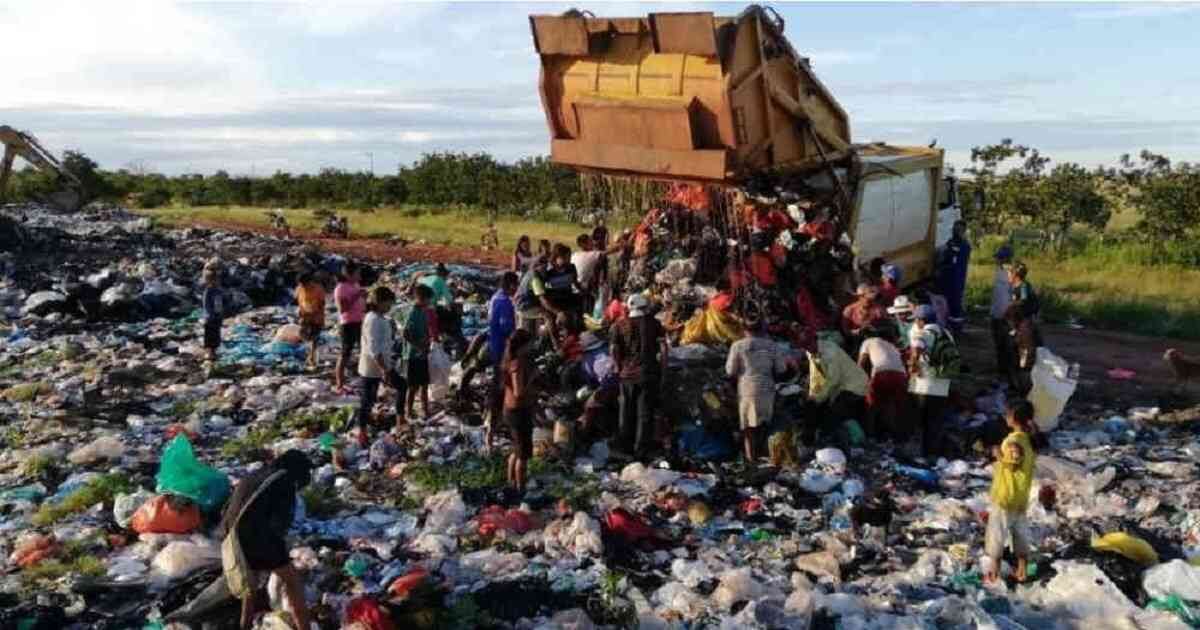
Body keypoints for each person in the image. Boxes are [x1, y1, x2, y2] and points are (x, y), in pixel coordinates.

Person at [220, 450, 314, 630]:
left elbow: (227, 508)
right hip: (255, 535)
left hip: (232, 535)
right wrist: (281, 552)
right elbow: (280, 524)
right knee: (292, 581)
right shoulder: (282, 481)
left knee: (251, 583)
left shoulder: (257, 475)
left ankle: (245, 625)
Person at [609, 293, 669, 459]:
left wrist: (618, 367)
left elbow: (613, 350)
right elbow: (663, 351)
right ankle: (641, 450)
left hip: (626, 375)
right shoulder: (655, 325)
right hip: (648, 374)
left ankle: (624, 448)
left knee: (625, 411)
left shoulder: (619, 325)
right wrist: (664, 373)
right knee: (644, 413)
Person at [984, 399, 1037, 584]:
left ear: (1013, 417)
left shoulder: (1013, 440)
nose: (1005, 417)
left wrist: (998, 455)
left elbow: (1014, 461)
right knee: (1020, 534)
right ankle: (1022, 571)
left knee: (997, 534)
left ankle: (993, 574)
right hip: (1021, 498)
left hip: (1006, 496)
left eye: (1007, 414)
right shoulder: (1028, 440)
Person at [725, 312, 791, 461]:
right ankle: (769, 456)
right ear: (762, 329)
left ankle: (751, 459)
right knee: (765, 423)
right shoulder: (772, 346)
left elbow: (730, 371)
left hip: (747, 389)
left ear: (744, 329)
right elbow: (782, 369)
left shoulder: (737, 346)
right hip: (767, 388)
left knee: (748, 427)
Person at [909, 304, 960, 457]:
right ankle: (934, 453)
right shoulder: (945, 332)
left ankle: (923, 454)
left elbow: (917, 348)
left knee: (922, 420)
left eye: (917, 320)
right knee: (936, 419)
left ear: (920, 320)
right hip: (943, 381)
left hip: (925, 383)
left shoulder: (923, 333)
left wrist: (913, 366)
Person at [358, 287, 404, 442]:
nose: (390, 307)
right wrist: (384, 369)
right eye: (388, 304)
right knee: (367, 400)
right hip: (373, 367)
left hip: (382, 364)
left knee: (401, 387)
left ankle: (399, 422)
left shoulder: (379, 318)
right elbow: (373, 348)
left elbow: (384, 343)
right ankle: (362, 432)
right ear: (380, 302)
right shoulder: (373, 320)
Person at [805, 334, 869, 446]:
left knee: (835, 413)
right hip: (841, 387)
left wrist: (818, 398)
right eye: (804, 345)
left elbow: (833, 379)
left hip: (855, 384)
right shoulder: (810, 353)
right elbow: (815, 376)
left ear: (815, 340)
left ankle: (833, 442)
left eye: (809, 343)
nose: (807, 347)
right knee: (821, 407)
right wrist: (812, 395)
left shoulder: (830, 351)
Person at [502, 329, 538, 494]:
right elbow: (519, 392)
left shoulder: (512, 360)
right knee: (523, 456)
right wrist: (533, 378)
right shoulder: (517, 364)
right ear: (522, 346)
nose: (532, 346)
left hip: (512, 411)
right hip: (518, 412)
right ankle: (521, 490)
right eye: (529, 343)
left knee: (516, 450)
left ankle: (511, 483)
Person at [857, 326, 908, 440]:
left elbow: (861, 364)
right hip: (901, 376)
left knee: (871, 406)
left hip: (882, 374)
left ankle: (869, 436)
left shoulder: (867, 342)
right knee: (891, 406)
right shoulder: (890, 345)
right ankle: (895, 437)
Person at [486, 272, 519, 445]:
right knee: (502, 387)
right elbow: (508, 329)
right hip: (502, 350)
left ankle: (493, 421)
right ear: (511, 285)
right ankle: (496, 422)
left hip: (494, 345)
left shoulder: (495, 298)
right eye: (516, 285)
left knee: (497, 384)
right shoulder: (505, 302)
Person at [334, 261, 366, 394]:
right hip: (348, 324)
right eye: (357, 273)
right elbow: (343, 309)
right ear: (349, 274)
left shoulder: (355, 285)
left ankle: (364, 379)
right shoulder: (341, 288)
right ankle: (339, 383)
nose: (359, 275)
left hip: (360, 322)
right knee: (345, 354)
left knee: (364, 351)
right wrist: (357, 296)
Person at [403, 285, 434, 421]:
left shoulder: (423, 311)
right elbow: (406, 334)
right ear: (421, 298)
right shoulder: (412, 313)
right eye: (428, 300)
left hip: (422, 354)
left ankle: (425, 410)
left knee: (424, 384)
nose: (429, 302)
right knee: (413, 386)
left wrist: (428, 342)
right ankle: (408, 411)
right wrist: (419, 346)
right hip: (412, 356)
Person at [937, 220, 972, 334]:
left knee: (955, 306)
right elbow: (943, 258)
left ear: (963, 231)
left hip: (956, 282)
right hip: (946, 280)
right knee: (945, 305)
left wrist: (950, 253)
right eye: (954, 229)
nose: (955, 231)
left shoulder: (964, 246)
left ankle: (956, 330)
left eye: (958, 230)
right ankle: (947, 328)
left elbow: (955, 261)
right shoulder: (950, 243)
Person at [1005, 302, 1043, 395]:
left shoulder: (1025, 329)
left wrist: (1022, 366)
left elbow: (1027, 350)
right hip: (1031, 360)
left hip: (1029, 364)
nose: (1008, 323)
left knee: (1023, 376)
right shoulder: (1026, 324)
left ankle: (1024, 390)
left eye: (1008, 320)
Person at [990, 245, 1014, 376]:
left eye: (999, 258)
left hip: (1006, 316)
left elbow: (1014, 295)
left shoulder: (1011, 273)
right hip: (996, 314)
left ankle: (1006, 372)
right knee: (999, 345)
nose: (997, 260)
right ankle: (1001, 370)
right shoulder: (999, 271)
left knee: (1006, 345)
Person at [296, 271, 326, 371]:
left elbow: (321, 304)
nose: (303, 286)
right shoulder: (300, 289)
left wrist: (314, 313)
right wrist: (300, 312)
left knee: (315, 338)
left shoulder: (318, 289)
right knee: (304, 335)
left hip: (316, 317)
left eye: (304, 284)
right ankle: (309, 355)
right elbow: (299, 301)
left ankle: (312, 357)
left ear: (310, 282)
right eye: (301, 284)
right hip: (304, 317)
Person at [841, 284, 887, 350]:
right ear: (860, 297)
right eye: (868, 299)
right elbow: (845, 331)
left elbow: (886, 325)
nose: (871, 301)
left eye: (872, 300)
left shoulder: (878, 308)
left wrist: (875, 328)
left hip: (877, 341)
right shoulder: (849, 310)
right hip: (857, 343)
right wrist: (858, 331)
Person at [201, 267, 225, 363]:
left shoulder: (209, 291)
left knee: (210, 337)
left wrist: (214, 315)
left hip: (210, 318)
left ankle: (211, 354)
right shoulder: (215, 291)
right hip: (214, 317)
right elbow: (218, 306)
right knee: (213, 336)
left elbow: (214, 305)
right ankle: (211, 354)